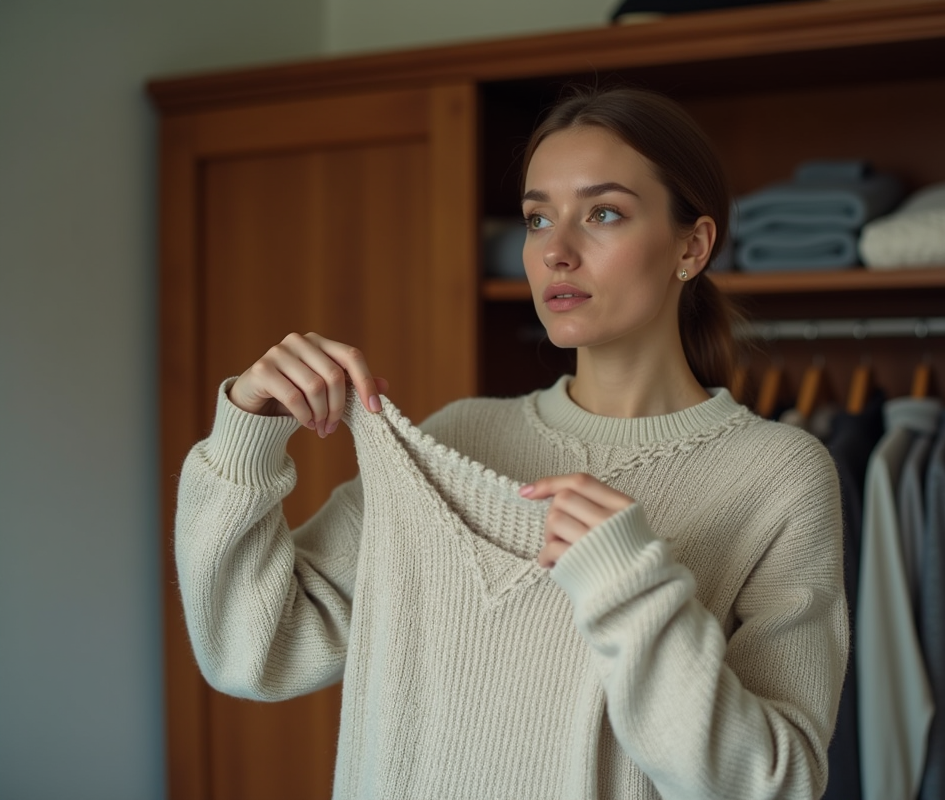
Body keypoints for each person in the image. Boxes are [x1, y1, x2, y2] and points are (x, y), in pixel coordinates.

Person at [175, 86, 848, 800]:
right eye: (537, 218)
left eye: (604, 213)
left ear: (693, 245)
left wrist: (636, 590)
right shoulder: (459, 437)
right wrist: (248, 433)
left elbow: (777, 782)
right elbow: (253, 650)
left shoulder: (779, 474)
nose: (555, 251)